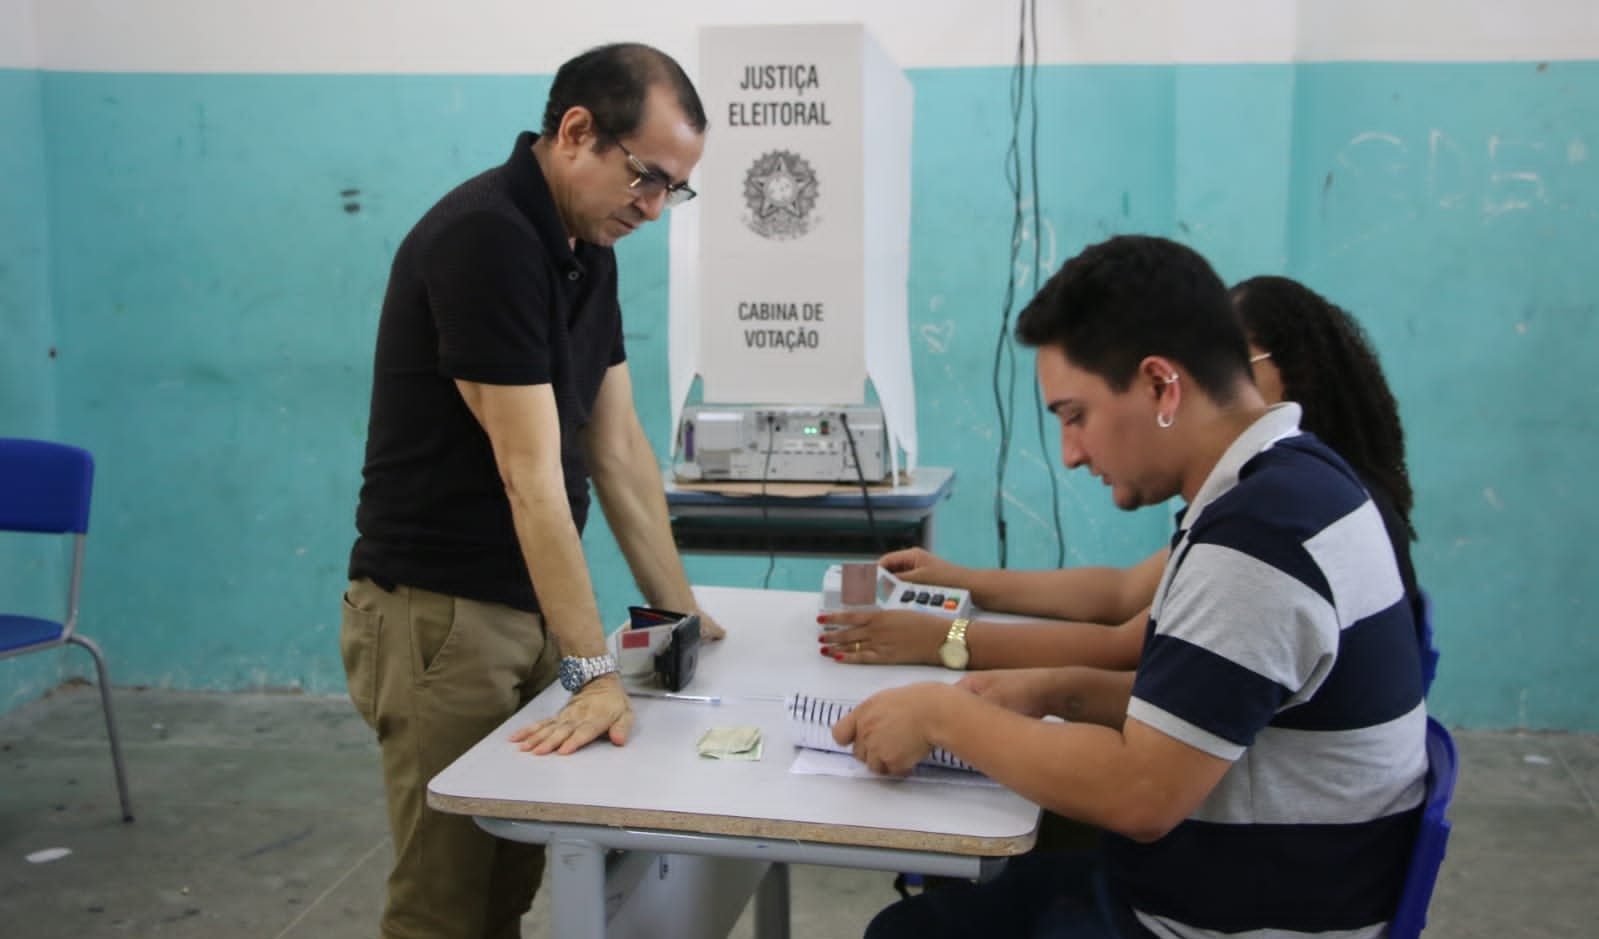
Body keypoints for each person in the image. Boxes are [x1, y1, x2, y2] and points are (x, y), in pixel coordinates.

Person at [835, 235, 1429, 938]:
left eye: (1074, 415)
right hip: (1260, 884)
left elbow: (1139, 791)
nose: (1071, 452)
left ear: (1159, 385)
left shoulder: (1261, 536)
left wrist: (942, 713)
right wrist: (1053, 689)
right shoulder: (1286, 484)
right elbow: (1189, 693)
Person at [338, 43, 725, 939]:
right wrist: (591, 672)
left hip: (521, 609)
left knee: (507, 886)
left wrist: (684, 619)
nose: (655, 208)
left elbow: (618, 447)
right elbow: (531, 476)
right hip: (438, 616)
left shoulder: (586, 245)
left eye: (675, 189)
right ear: (577, 132)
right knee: (444, 905)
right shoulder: (487, 238)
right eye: (647, 178)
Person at [818, 274, 1421, 671]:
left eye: (1231, 366)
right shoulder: (1282, 486)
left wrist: (945, 646)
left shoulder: (1280, 516)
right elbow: (1123, 594)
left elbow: (1128, 649)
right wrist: (961, 579)